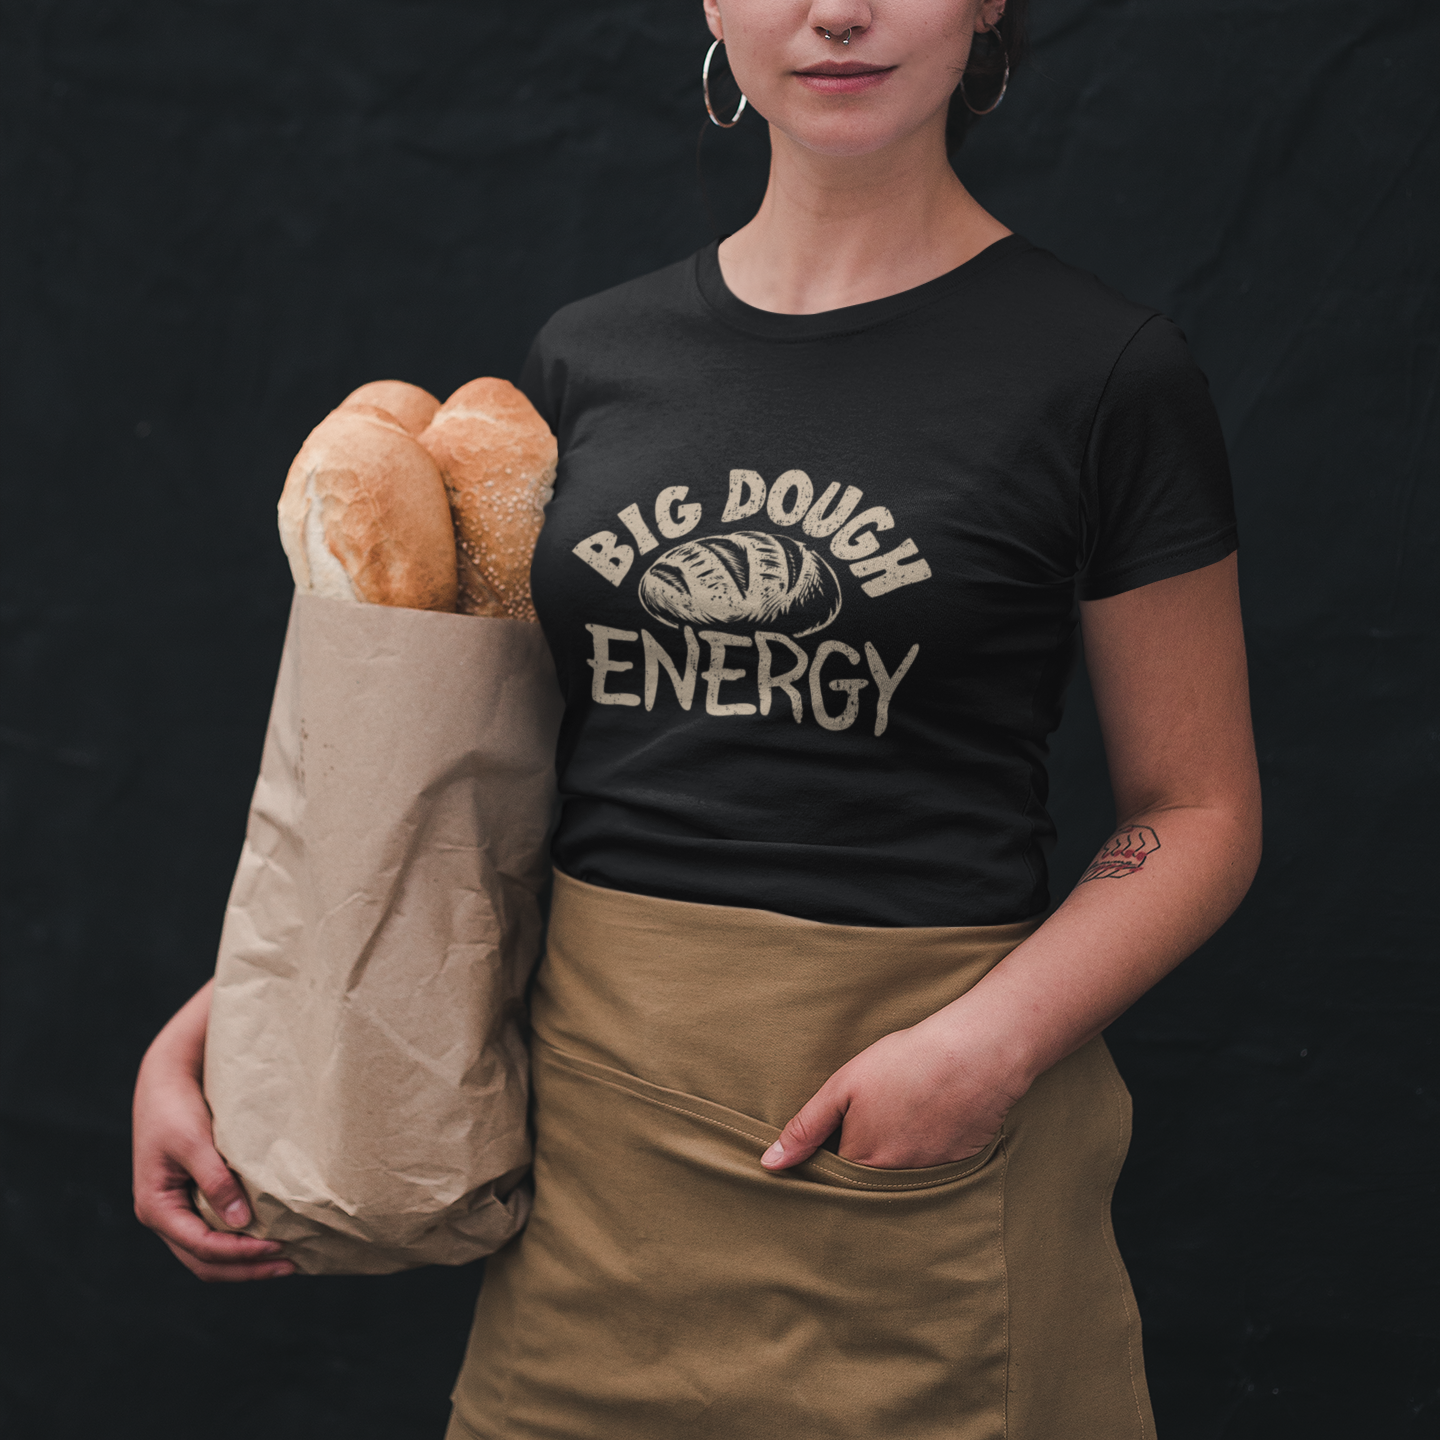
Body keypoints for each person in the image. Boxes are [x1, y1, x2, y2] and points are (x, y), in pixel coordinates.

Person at [133, 2, 1262, 1435]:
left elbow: (1199, 810)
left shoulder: (1103, 375)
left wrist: (984, 1052)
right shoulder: (591, 360)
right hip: (595, 1174)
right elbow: (500, 775)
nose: (838, 10)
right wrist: (247, 1013)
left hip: (914, 1157)